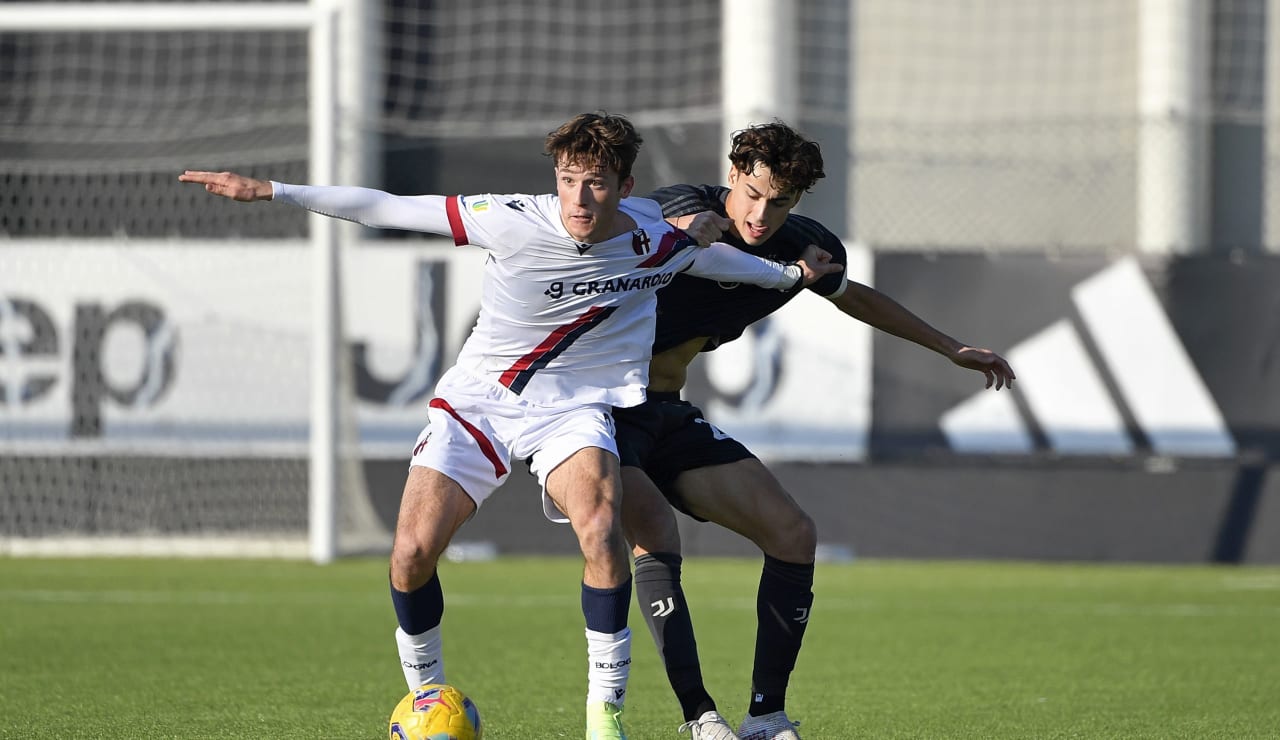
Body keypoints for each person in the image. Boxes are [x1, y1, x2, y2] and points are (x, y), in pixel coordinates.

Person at [180, 112, 841, 740]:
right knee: (410, 553)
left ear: (625, 187)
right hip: (479, 403)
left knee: (603, 528)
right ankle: (426, 699)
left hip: (572, 411)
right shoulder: (510, 219)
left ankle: (603, 717)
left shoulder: (655, 236)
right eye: (568, 180)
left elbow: (714, 261)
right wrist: (273, 191)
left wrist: (787, 273)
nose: (579, 198)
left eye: (596, 184)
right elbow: (385, 205)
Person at [614, 121, 1017, 740]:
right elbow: (647, 223)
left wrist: (951, 346)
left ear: (797, 201)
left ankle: (765, 718)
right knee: (656, 534)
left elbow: (850, 294)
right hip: (597, 412)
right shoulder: (682, 208)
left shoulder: (800, 248)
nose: (759, 212)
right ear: (732, 175)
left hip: (667, 411)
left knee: (793, 532)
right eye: (751, 193)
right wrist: (684, 234)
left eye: (778, 201)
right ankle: (701, 719)